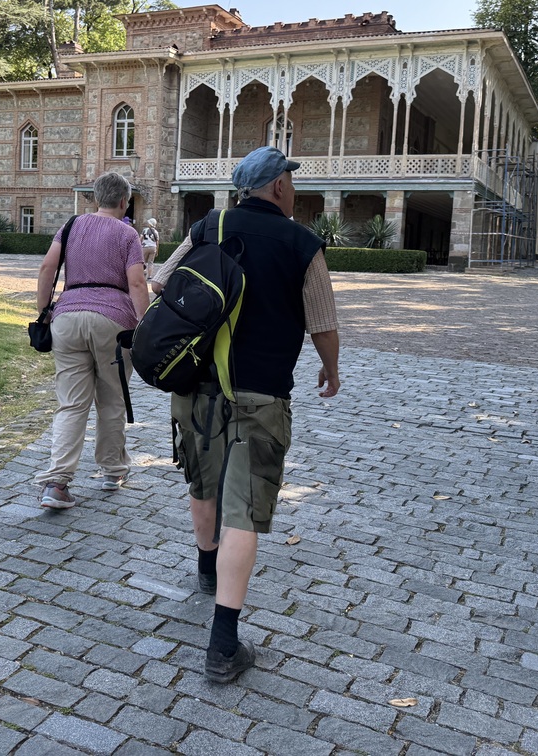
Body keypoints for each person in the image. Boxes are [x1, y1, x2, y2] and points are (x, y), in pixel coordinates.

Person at [149, 145, 341, 684]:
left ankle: (206, 571)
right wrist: (331, 368)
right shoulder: (302, 243)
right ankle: (223, 644)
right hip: (261, 397)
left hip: (196, 388)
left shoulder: (209, 225)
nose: (294, 189)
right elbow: (322, 320)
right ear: (279, 185)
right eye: (292, 181)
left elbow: (162, 281)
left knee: (202, 482)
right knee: (245, 511)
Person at [34, 172, 150, 509]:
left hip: (67, 318)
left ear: (95, 198)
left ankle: (56, 484)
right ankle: (113, 470)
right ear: (124, 202)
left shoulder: (70, 227)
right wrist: (144, 327)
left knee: (71, 403)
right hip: (113, 322)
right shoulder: (128, 234)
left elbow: (46, 269)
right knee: (112, 399)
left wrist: (44, 312)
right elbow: (138, 285)